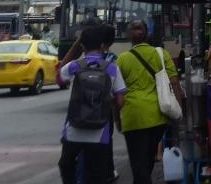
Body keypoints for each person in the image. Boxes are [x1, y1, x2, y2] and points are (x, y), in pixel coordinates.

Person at [57, 23, 125, 184]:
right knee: (98, 174)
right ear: (102, 45)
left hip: (74, 130)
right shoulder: (112, 68)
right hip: (100, 131)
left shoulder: (75, 66)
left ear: (82, 46)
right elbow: (121, 100)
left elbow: (59, 78)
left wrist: (74, 47)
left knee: (66, 164)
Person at [118, 19, 183, 184]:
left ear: (128, 35)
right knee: (146, 163)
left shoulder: (122, 59)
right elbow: (175, 83)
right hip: (158, 117)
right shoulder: (161, 54)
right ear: (147, 34)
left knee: (139, 166)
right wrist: (179, 111)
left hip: (133, 118)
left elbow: (116, 94)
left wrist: (117, 119)